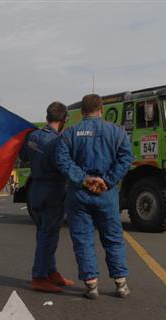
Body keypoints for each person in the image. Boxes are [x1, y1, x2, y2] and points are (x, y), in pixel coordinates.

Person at [55, 94, 134, 299]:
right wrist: (107, 181)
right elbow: (126, 158)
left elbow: (62, 161)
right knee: (113, 238)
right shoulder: (117, 132)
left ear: (81, 111)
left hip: (79, 194)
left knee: (83, 239)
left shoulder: (70, 133)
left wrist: (84, 179)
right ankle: (120, 284)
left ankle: (91, 284)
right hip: (106, 194)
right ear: (102, 110)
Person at [19, 101, 74, 293]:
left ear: (47, 117)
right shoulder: (57, 141)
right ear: (64, 119)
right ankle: (40, 276)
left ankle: (51, 272)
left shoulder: (33, 136)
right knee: (48, 236)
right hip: (53, 191)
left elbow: (24, 157)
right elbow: (63, 165)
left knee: (43, 233)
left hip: (35, 190)